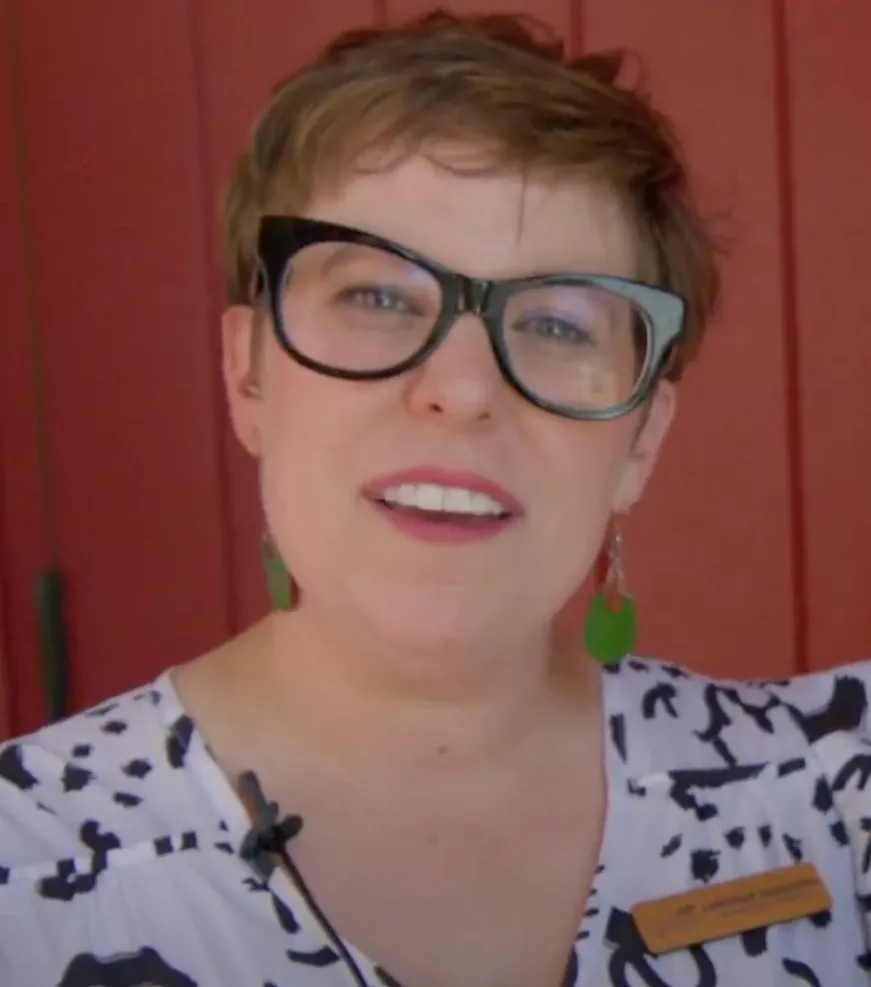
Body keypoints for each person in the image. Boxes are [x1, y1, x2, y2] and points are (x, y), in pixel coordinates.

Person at [1, 9, 869, 987]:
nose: (460, 390)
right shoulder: (25, 869)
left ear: (641, 439)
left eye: (557, 323)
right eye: (377, 297)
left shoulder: (834, 792)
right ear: (248, 374)